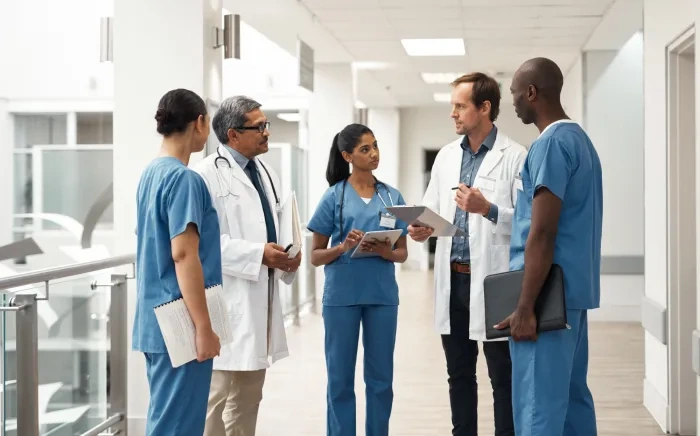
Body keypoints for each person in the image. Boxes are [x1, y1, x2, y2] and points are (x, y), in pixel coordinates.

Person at [407, 72, 526, 436]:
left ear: (484, 107)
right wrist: (421, 227)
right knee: (458, 373)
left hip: (494, 282)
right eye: (453, 106)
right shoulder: (446, 157)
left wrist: (487, 207)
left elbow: (527, 222)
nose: (453, 114)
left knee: (501, 376)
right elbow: (432, 208)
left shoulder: (515, 156)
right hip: (453, 278)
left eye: (460, 106)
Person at [495, 57, 602, 435]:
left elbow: (541, 232)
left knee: (539, 407)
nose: (513, 103)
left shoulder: (551, 144)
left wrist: (524, 307)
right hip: (572, 295)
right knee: (571, 404)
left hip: (545, 300)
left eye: (514, 95)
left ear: (531, 92)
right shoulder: (581, 141)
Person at [193, 95, 301, 436]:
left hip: (259, 299)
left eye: (266, 125)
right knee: (216, 398)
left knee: (249, 397)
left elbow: (276, 224)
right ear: (233, 134)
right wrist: (258, 254)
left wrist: (288, 257)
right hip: (226, 300)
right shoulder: (205, 175)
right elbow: (203, 245)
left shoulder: (266, 171)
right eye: (259, 127)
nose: (266, 132)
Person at [307, 123, 409, 436]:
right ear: (348, 155)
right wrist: (343, 247)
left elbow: (402, 252)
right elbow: (315, 256)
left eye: (375, 146)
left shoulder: (392, 195)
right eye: (365, 149)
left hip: (381, 297)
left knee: (381, 380)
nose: (374, 153)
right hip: (341, 298)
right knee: (339, 378)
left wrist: (384, 250)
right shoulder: (333, 197)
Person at [133, 88, 222, 435]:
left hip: (155, 320)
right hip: (180, 323)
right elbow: (184, 255)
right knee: (179, 427)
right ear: (199, 123)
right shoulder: (184, 179)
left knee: (167, 420)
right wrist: (203, 327)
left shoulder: (151, 173)